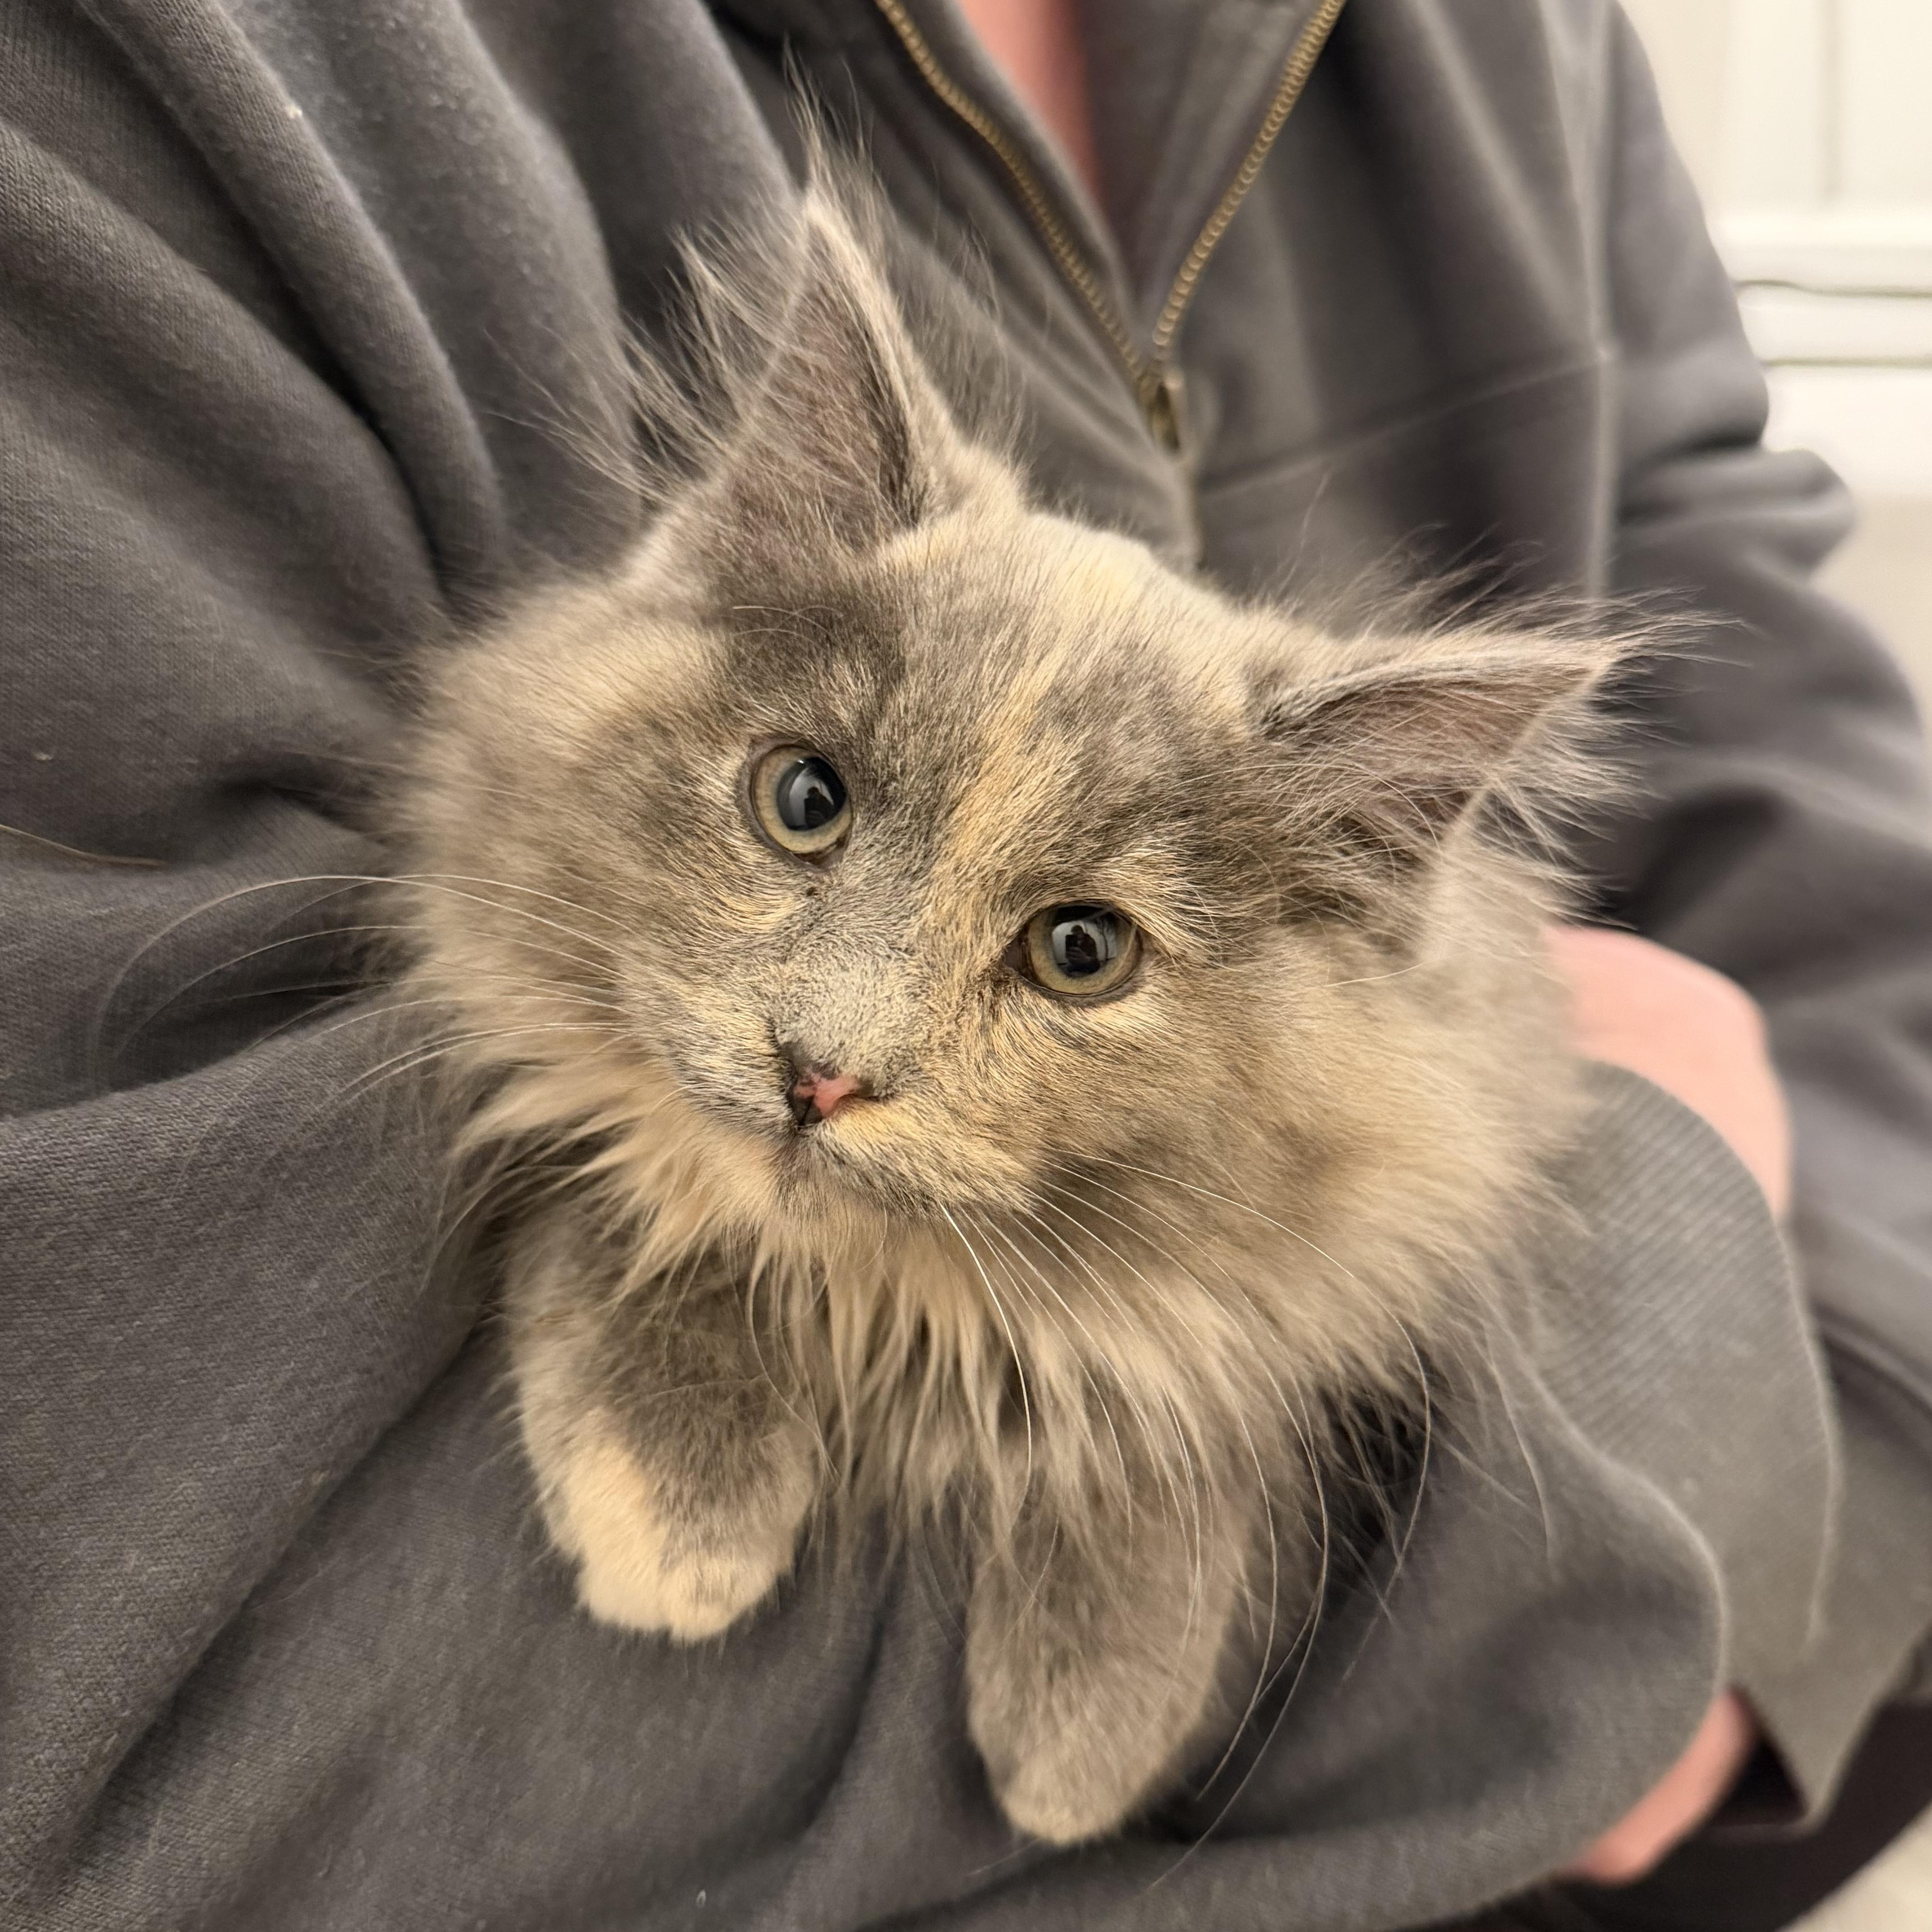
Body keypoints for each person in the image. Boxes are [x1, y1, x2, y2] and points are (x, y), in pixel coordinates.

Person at [2, 1, 1928, 1927]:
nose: (834, 1050)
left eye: (1075, 947)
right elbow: (185, 1732)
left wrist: (1827, 1515)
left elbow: (1811, 785)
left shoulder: (1525, 45)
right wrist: (1649, 1478)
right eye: (812, 803)